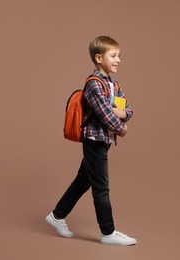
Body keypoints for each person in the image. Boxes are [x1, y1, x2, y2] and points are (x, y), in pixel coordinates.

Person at [45, 36, 136, 246]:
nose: (118, 60)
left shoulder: (113, 84)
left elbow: (130, 109)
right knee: (101, 189)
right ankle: (108, 232)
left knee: (82, 182)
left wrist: (122, 114)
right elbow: (106, 115)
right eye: (113, 56)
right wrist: (121, 128)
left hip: (103, 141)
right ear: (98, 58)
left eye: (119, 55)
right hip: (94, 141)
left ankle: (57, 216)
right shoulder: (94, 85)